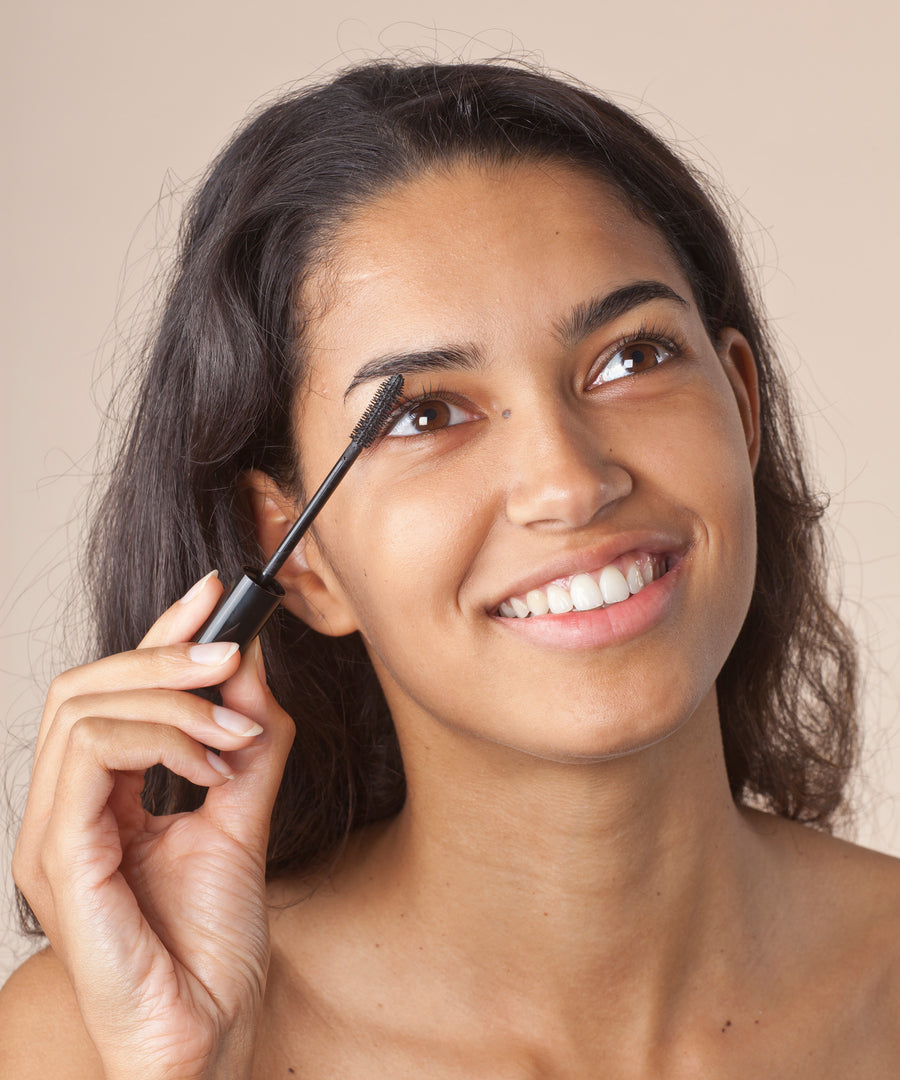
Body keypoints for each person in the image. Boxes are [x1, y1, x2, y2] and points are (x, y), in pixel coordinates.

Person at [1, 59, 897, 1077]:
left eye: (630, 359)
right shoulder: (85, 1047)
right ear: (298, 558)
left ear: (742, 406)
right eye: (425, 415)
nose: (567, 482)